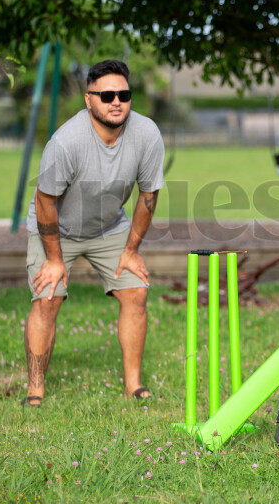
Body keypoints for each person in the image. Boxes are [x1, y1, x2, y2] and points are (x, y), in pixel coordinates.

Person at [21, 59, 164, 406]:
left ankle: (133, 385)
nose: (116, 101)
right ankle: (35, 389)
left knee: (136, 293)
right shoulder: (66, 142)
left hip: (109, 227)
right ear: (89, 100)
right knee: (47, 298)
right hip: (58, 228)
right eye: (107, 95)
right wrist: (55, 260)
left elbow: (148, 197)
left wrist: (130, 250)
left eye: (124, 94)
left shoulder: (146, 134)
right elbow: (44, 202)